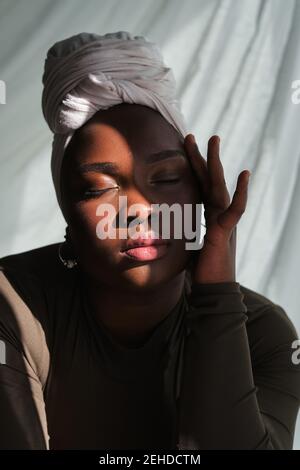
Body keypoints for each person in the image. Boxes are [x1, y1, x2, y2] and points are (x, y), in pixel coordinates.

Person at [0, 31, 299, 450]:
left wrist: (216, 297)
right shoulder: (11, 307)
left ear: (198, 190)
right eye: (99, 187)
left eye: (167, 178)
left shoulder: (265, 336)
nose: (139, 208)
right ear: (66, 207)